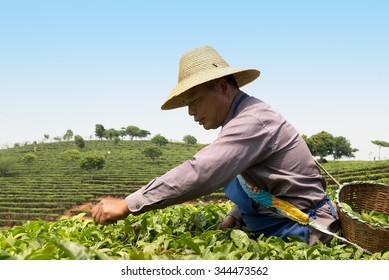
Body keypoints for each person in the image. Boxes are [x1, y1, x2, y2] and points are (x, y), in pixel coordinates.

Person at [91, 45, 340, 245]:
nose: (190, 112)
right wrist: (238, 212)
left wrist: (128, 204)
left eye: (194, 100)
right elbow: (265, 182)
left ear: (222, 87)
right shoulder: (242, 119)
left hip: (303, 230)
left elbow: (202, 171)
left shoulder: (253, 120)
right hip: (281, 223)